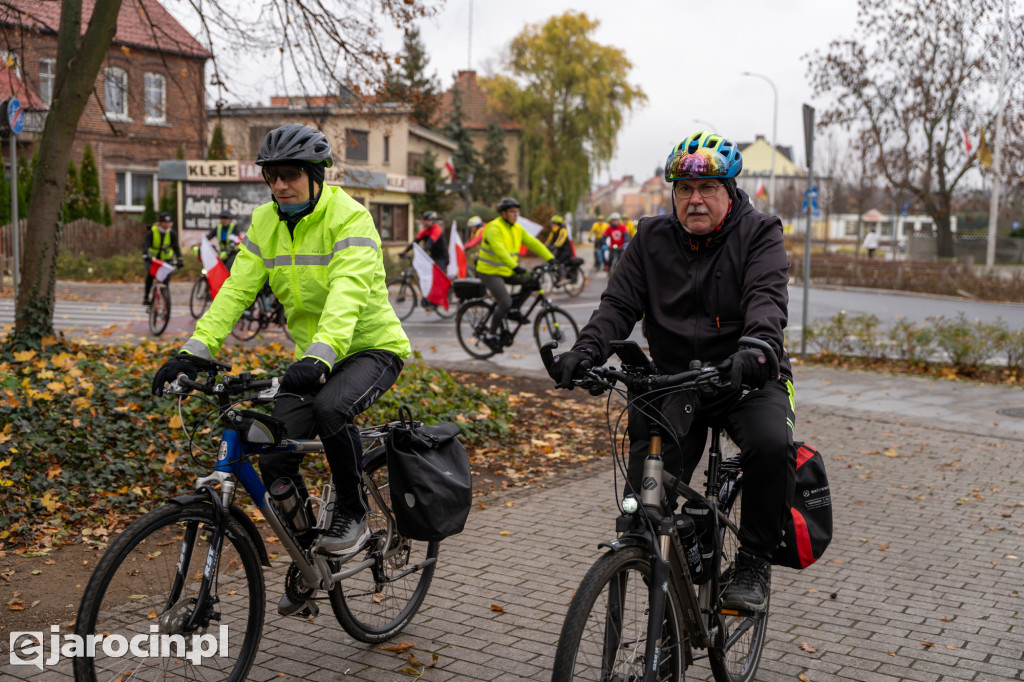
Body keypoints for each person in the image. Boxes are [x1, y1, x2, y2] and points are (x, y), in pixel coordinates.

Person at [151, 124, 411, 599]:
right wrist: (194, 350)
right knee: (267, 444)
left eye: (289, 174)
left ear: (316, 175)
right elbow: (236, 290)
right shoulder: (266, 222)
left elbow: (347, 295)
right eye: (271, 176)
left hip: (370, 348)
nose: (279, 185)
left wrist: (320, 356)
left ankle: (352, 514)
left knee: (332, 407)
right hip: (314, 358)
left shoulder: (350, 218)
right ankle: (308, 546)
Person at [548, 130, 796, 614]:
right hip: (674, 382)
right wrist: (585, 352)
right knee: (643, 510)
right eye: (683, 189)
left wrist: (756, 351)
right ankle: (671, 596)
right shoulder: (650, 239)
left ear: (731, 191)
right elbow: (617, 306)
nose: (695, 199)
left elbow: (767, 303)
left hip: (745, 376)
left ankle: (752, 563)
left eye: (707, 189)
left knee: (771, 445)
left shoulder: (760, 232)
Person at [475, 197, 556, 352]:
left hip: (507, 270)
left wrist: (551, 259)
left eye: (517, 212)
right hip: (489, 272)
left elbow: (533, 243)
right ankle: (491, 335)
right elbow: (500, 251)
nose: (515, 215)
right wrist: (516, 267)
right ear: (503, 213)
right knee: (504, 301)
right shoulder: (494, 228)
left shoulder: (516, 228)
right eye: (512, 212)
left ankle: (514, 310)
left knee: (531, 281)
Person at [142, 211, 182, 306]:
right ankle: (146, 297)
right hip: (153, 259)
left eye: (169, 223)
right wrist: (145, 254)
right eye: (165, 223)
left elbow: (176, 247)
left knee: (166, 280)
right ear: (160, 223)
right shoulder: (152, 231)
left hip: (166, 260)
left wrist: (180, 259)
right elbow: (146, 244)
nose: (167, 225)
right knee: (150, 276)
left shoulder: (172, 233)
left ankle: (165, 303)